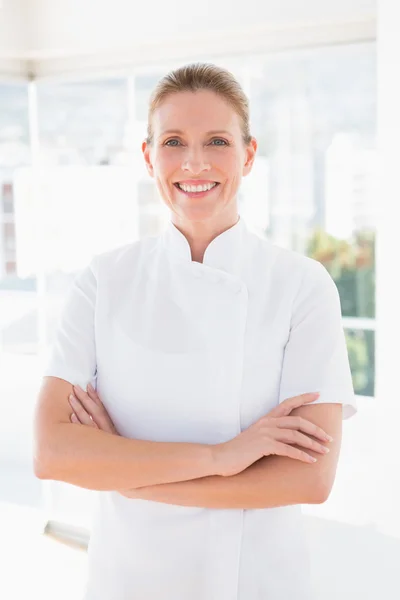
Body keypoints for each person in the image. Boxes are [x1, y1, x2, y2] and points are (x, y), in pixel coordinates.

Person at [34, 62, 357, 600]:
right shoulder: (104, 279)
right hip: (127, 578)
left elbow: (309, 479)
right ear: (147, 156)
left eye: (217, 141)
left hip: (253, 580)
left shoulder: (302, 285)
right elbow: (52, 453)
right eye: (173, 141)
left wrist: (120, 468)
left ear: (249, 155)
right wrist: (224, 458)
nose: (195, 162)